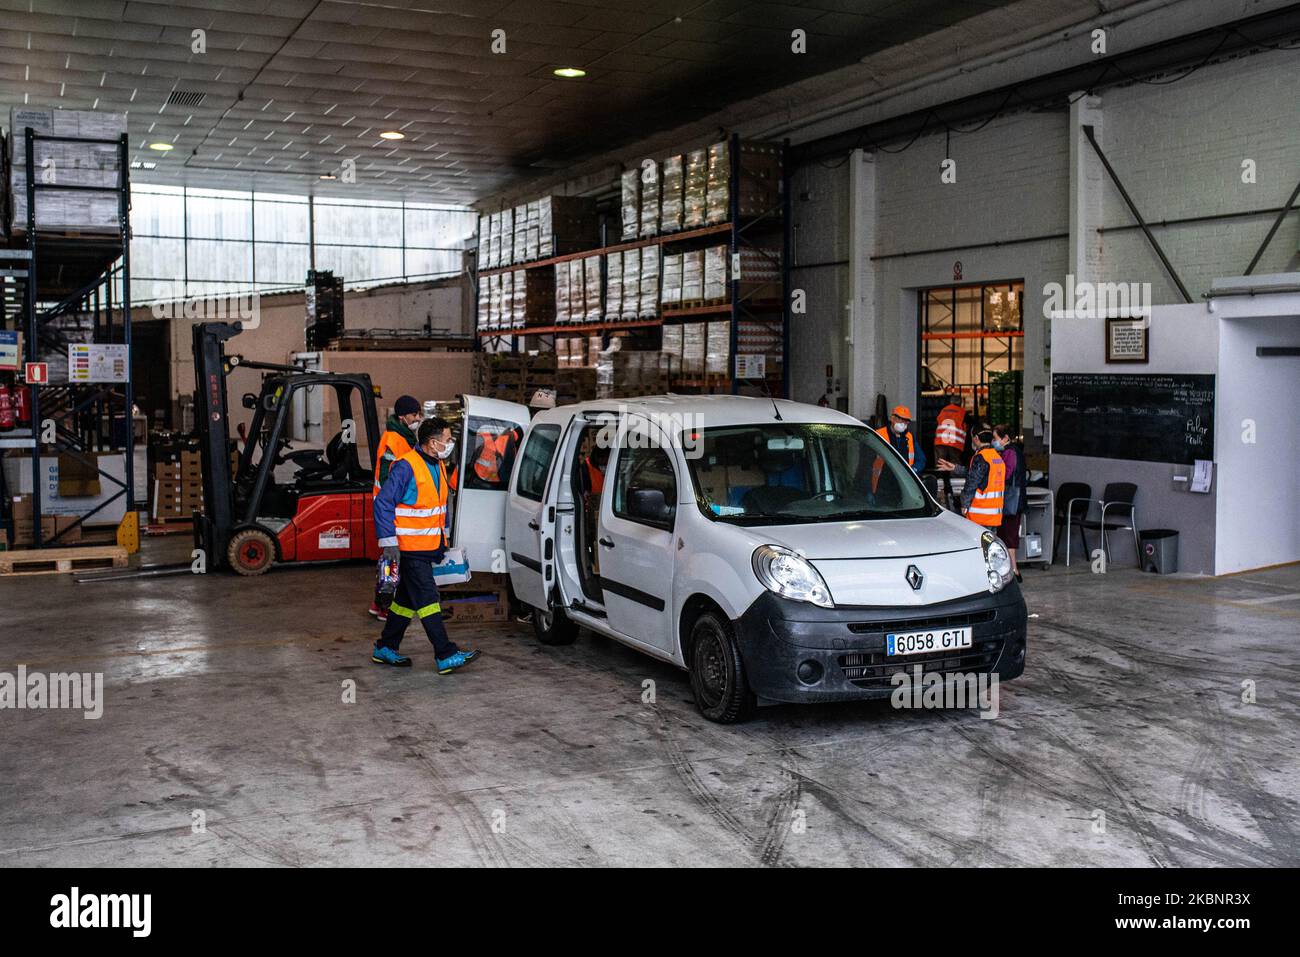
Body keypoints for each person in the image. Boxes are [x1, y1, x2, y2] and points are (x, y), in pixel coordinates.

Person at [370, 417, 480, 675]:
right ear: (433, 443)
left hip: (426, 546)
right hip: (409, 549)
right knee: (429, 599)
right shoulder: (407, 466)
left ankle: (385, 647)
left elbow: (438, 508)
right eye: (448, 439)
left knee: (406, 601)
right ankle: (445, 654)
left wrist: (444, 541)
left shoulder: (437, 464)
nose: (450, 443)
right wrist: (389, 545)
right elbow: (383, 503)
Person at [368, 395, 423, 620]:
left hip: (394, 509)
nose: (417, 418)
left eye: (419, 414)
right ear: (402, 416)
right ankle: (384, 605)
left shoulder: (404, 436)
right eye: (414, 415)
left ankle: (377, 602)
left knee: (391, 559)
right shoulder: (394, 439)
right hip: (389, 509)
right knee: (391, 560)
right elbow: (386, 479)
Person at [951, 428, 1005, 529]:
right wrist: (955, 468)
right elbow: (979, 474)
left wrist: (964, 503)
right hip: (994, 514)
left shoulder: (981, 457)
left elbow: (972, 482)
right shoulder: (996, 457)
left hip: (979, 514)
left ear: (976, 438)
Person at [993, 424, 1026, 582]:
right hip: (1015, 501)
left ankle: (1014, 570)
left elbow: (1004, 475)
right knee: (1008, 535)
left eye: (995, 438)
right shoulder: (1015, 451)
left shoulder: (1010, 453)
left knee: (1008, 536)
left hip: (1011, 501)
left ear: (1005, 438)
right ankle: (1013, 569)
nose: (994, 441)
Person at [871, 405, 925, 493]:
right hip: (882, 484)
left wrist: (913, 470)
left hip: (905, 484)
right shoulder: (879, 434)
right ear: (892, 418)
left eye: (906, 421)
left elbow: (921, 459)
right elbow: (866, 461)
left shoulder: (909, 437)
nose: (904, 423)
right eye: (900, 419)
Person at [934, 400, 968, 507]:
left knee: (941, 464)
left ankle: (943, 486)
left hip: (940, 440)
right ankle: (953, 490)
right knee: (954, 465)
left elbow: (937, 421)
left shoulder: (943, 410)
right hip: (955, 441)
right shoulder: (962, 412)